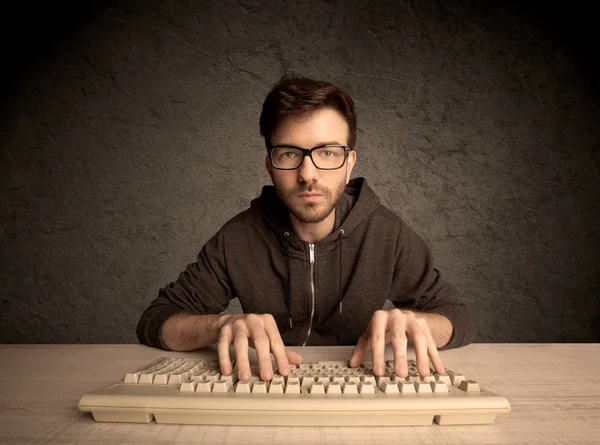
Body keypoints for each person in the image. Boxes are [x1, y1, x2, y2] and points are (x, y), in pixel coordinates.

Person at [137, 74, 476, 383]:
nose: (308, 174)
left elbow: (457, 317)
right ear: (270, 165)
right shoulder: (237, 239)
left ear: (349, 164)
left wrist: (419, 323)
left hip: (362, 386)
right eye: (289, 154)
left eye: (327, 153)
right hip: (264, 385)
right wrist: (221, 324)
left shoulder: (388, 234)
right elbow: (156, 321)